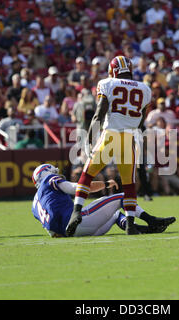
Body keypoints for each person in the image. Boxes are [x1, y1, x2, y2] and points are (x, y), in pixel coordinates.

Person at [67, 55, 152, 236]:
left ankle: (76, 212)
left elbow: (98, 114)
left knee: (87, 174)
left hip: (110, 135)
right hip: (129, 137)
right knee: (129, 183)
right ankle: (130, 224)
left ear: (113, 71)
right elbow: (141, 119)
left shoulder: (107, 84)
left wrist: (88, 139)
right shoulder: (144, 89)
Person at [31, 163, 175, 237]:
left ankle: (141, 229)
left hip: (68, 233)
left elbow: (50, 230)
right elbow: (77, 188)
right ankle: (151, 220)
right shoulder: (49, 180)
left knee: (115, 215)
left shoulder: (34, 204)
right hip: (78, 223)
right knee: (123, 197)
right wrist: (105, 184)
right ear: (46, 173)